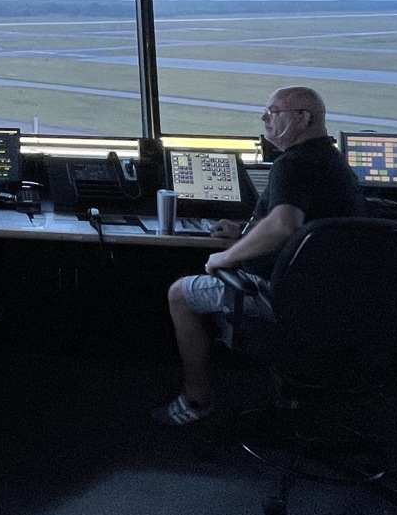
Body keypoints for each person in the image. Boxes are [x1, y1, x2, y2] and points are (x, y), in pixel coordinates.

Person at [154, 86, 364, 426]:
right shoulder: (332, 161)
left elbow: (283, 226)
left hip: (283, 295)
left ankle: (196, 400)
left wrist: (225, 258)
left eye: (274, 111)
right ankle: (291, 400)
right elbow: (309, 228)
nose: (265, 118)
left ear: (302, 119)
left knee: (180, 293)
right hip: (334, 296)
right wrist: (246, 232)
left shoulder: (293, 164)